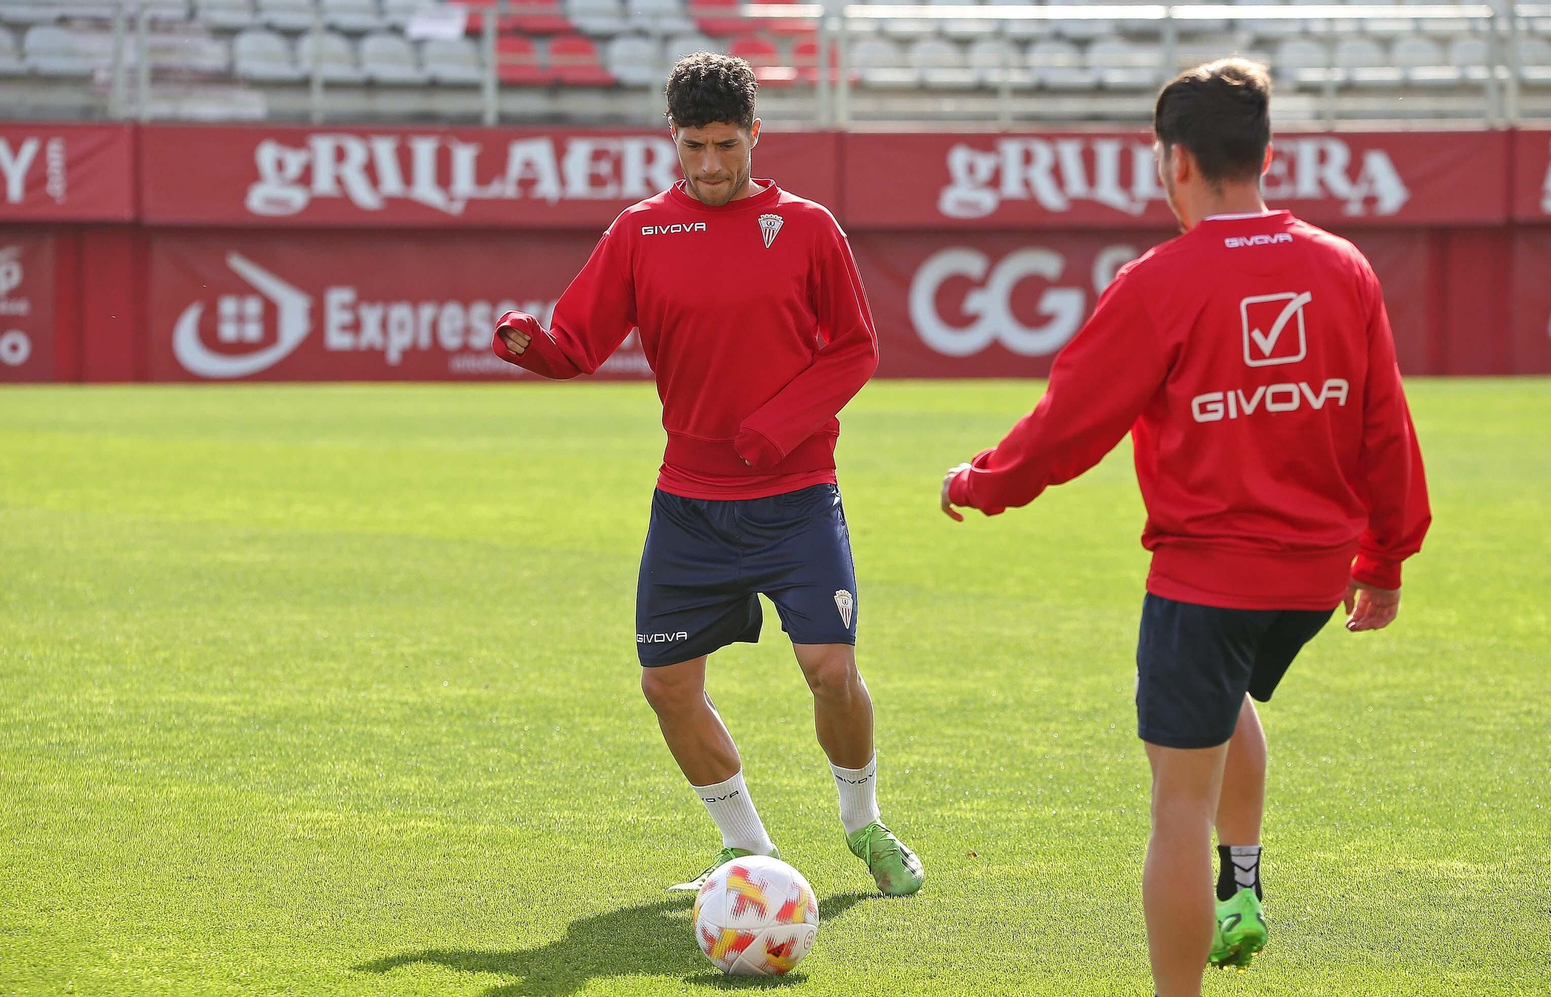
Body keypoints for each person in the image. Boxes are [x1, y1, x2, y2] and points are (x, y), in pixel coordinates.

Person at [939, 59, 1429, 996]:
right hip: (1315, 581)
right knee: (1226, 695)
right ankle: (1241, 883)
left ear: (1172, 162)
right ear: (1267, 155)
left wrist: (982, 482)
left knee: (1177, 802)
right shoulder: (1344, 266)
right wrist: (1388, 558)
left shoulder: (1161, 281)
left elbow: (1069, 423)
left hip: (1207, 580)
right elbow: (1385, 425)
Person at [494, 53, 923, 897]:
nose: (713, 165)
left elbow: (855, 349)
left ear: (756, 134)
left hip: (796, 496)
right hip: (689, 503)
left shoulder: (808, 227)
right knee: (666, 685)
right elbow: (576, 343)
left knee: (832, 671)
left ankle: (863, 822)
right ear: (674, 141)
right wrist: (532, 347)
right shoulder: (639, 231)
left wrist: (777, 426)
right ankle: (748, 851)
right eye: (695, 147)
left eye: (727, 144)